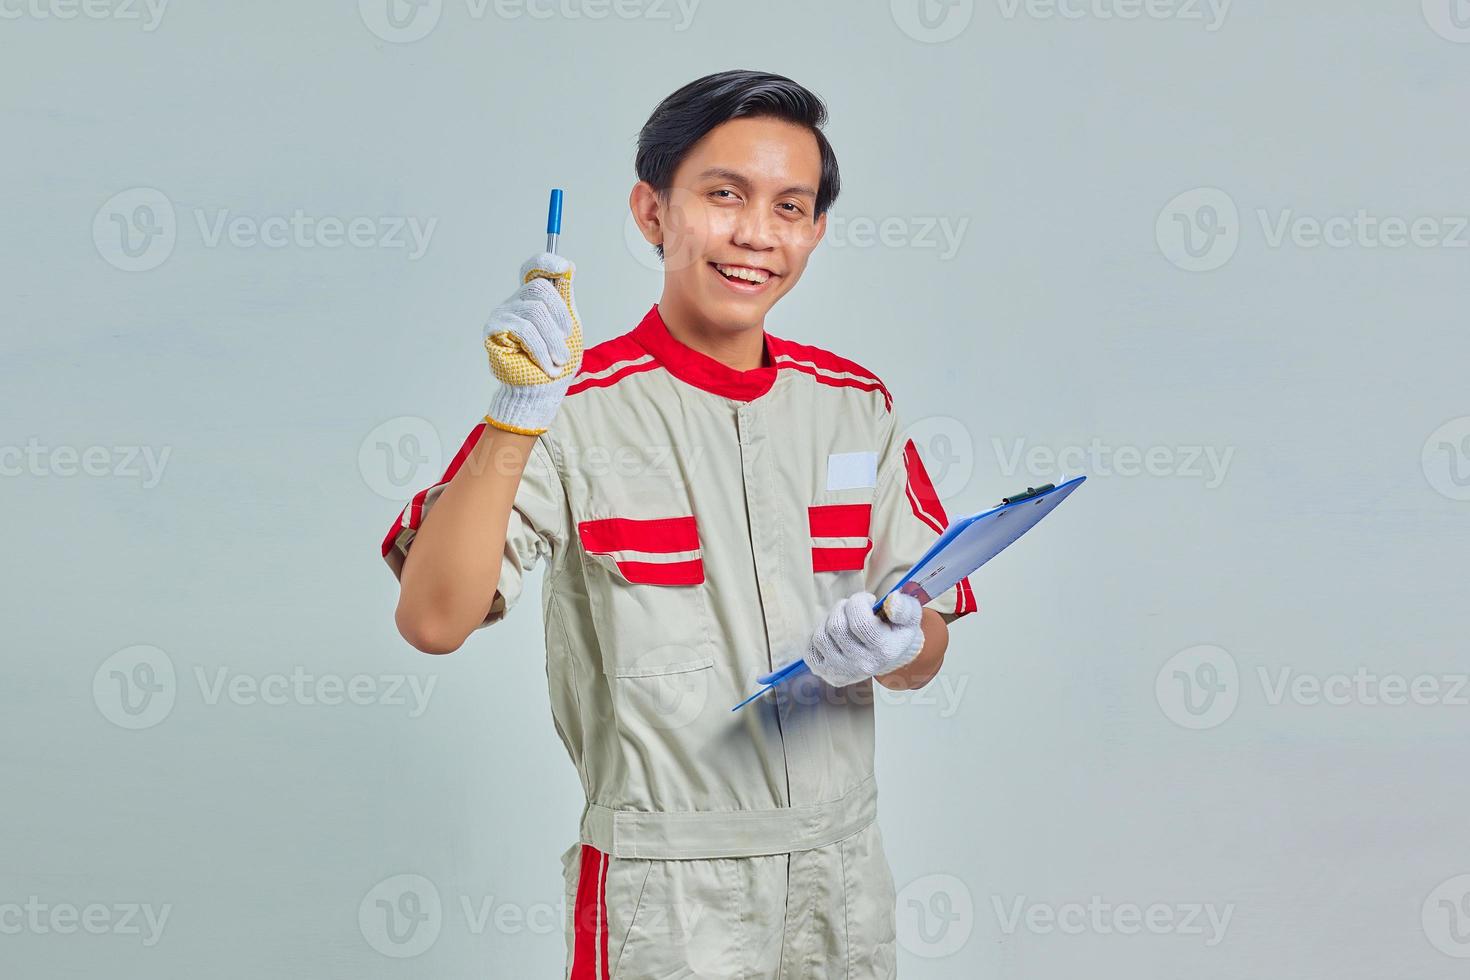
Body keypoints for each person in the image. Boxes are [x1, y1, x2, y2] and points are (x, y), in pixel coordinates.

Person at [381, 69, 976, 980]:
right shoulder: (567, 407)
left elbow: (930, 647)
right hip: (667, 892)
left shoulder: (857, 406)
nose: (755, 234)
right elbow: (433, 620)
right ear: (652, 211)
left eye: (790, 207)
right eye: (723, 195)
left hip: (842, 875)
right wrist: (516, 411)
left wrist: (903, 645)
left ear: (816, 231)